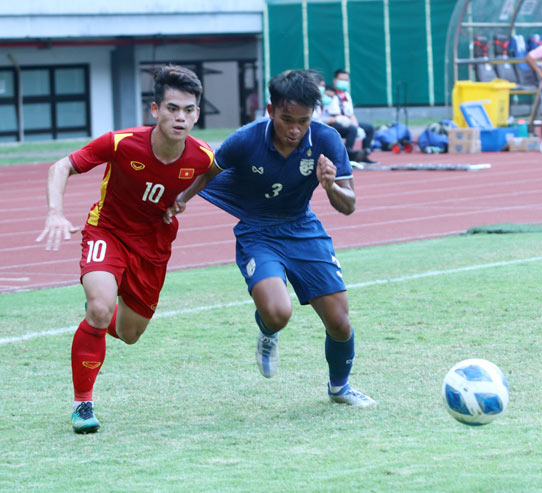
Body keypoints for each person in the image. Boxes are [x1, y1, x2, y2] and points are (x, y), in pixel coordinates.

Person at [168, 69, 376, 408]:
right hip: (258, 230)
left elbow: (349, 206)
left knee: (340, 322)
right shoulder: (245, 140)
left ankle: (340, 388)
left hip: (303, 228)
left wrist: (330, 185)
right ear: (270, 111)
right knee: (278, 313)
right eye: (287, 119)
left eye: (304, 121)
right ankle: (267, 331)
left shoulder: (326, 140)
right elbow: (208, 172)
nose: (295, 129)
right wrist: (181, 200)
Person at [35, 65, 219, 434]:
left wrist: (182, 199)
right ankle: (82, 404)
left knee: (131, 334)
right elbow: (61, 167)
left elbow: (210, 173)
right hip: (109, 232)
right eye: (172, 109)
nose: (180, 118)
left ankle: (97, 314)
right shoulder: (121, 142)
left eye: (188, 110)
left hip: (154, 246)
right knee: (101, 309)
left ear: (197, 113)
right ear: (155, 110)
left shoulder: (202, 155)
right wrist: (55, 213)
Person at [324, 69, 377, 165]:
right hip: (335, 123)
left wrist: (357, 127)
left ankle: (364, 155)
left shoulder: (347, 95)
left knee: (369, 128)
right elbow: (335, 114)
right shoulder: (329, 95)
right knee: (351, 129)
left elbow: (351, 114)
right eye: (342, 79)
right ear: (335, 80)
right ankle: (349, 157)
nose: (344, 82)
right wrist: (353, 127)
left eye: (346, 80)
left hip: (348, 122)